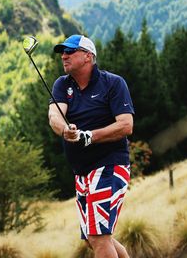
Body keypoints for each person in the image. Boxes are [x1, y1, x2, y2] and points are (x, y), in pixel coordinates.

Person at [49, 34, 134, 258]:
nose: (64, 56)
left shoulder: (113, 83)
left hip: (109, 166)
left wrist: (90, 136)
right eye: (62, 52)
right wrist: (64, 130)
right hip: (82, 172)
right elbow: (54, 116)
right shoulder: (62, 84)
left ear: (88, 56)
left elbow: (126, 125)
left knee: (98, 235)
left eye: (70, 52)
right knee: (92, 238)